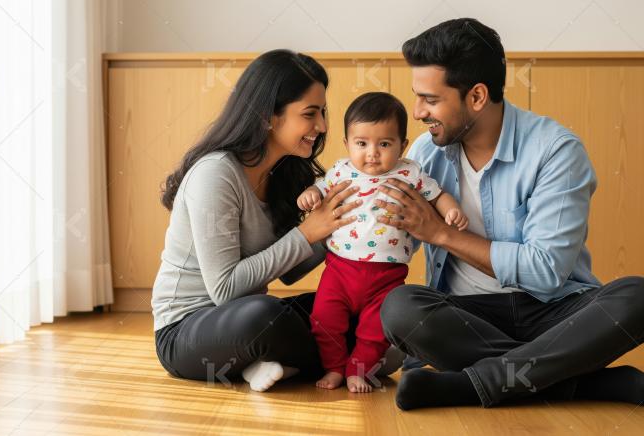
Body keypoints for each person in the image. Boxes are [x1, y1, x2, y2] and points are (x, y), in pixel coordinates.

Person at [376, 18, 644, 410]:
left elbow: (546, 272)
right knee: (400, 307)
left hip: (554, 312)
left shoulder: (556, 151)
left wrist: (443, 234)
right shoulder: (425, 153)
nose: (417, 112)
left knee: (636, 296)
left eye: (430, 100)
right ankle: (574, 380)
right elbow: (390, 236)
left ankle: (471, 384)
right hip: (467, 317)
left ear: (478, 96)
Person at [151, 49, 404, 393]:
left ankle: (271, 363)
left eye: (323, 113)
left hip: (252, 316)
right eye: (310, 114)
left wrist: (348, 226)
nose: (323, 127)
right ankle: (349, 361)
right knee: (264, 315)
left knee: (369, 312)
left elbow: (289, 271)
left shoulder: (283, 171)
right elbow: (224, 290)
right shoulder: (216, 174)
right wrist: (308, 231)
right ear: (268, 116)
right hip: (187, 331)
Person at [296, 92, 466, 392]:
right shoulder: (341, 171)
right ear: (347, 144)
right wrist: (311, 194)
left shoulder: (409, 172)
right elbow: (319, 188)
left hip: (386, 276)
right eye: (362, 143)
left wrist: (450, 209)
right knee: (324, 319)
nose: (372, 153)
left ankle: (356, 371)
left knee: (375, 331)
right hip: (339, 271)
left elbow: (438, 195)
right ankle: (334, 367)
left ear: (402, 144)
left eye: (384, 144)